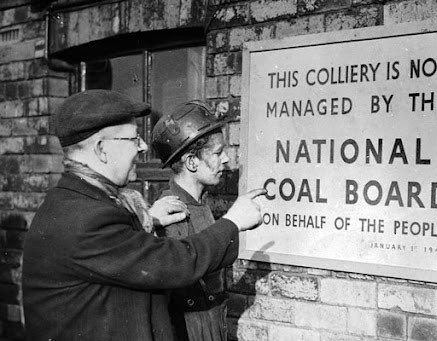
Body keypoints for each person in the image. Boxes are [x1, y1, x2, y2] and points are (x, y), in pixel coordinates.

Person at [22, 90, 265, 341]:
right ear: (102, 149)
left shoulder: (78, 202)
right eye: (133, 139)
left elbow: (118, 257)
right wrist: (233, 221)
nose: (143, 146)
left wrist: (147, 220)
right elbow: (175, 263)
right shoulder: (87, 218)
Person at [151, 101, 238, 341]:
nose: (227, 159)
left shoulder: (198, 202)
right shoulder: (173, 210)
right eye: (218, 153)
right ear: (191, 162)